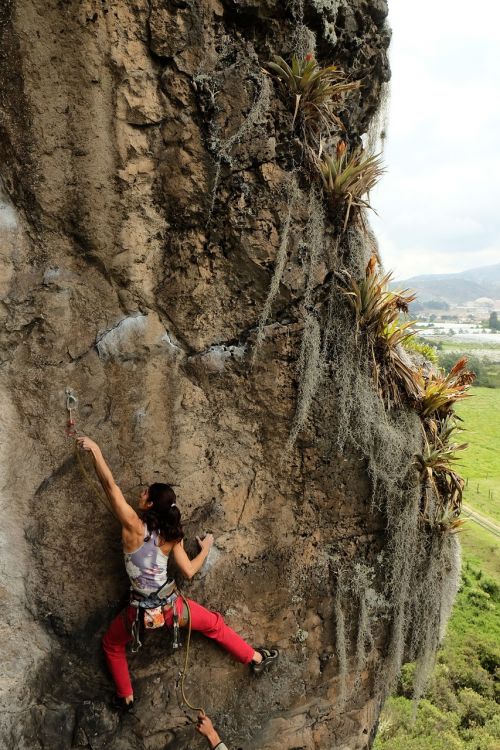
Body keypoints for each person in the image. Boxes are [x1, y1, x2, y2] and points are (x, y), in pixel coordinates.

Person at [77, 437, 279, 709]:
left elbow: (109, 486)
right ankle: (255, 658)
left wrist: (97, 451)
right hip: (172, 609)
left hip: (138, 614)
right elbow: (188, 571)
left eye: (145, 493)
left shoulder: (133, 527)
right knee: (214, 626)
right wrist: (205, 548)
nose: (141, 493)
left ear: (149, 505)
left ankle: (126, 696)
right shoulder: (171, 536)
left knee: (113, 645)